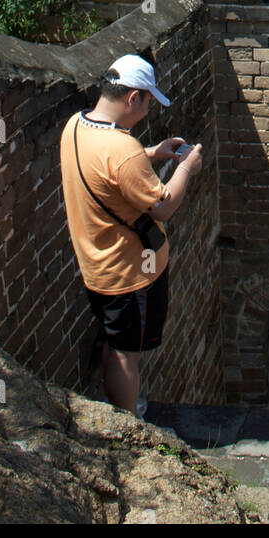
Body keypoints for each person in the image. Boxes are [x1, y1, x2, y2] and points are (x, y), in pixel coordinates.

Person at [59, 54, 202, 416]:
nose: (146, 110)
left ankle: (122, 410)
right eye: (148, 101)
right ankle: (129, 428)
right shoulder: (122, 149)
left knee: (114, 342)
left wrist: (152, 153)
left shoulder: (75, 126)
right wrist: (185, 167)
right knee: (126, 354)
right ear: (132, 97)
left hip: (97, 268)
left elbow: (110, 175)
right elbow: (163, 205)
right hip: (131, 276)